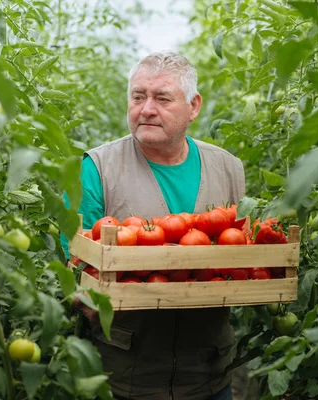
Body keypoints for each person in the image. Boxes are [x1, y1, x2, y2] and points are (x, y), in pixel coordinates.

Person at [63, 51, 246, 400]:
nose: (146, 109)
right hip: (125, 372)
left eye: (162, 98)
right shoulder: (96, 168)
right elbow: (73, 257)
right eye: (138, 97)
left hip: (210, 370)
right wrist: (86, 295)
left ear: (193, 106)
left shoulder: (228, 168)